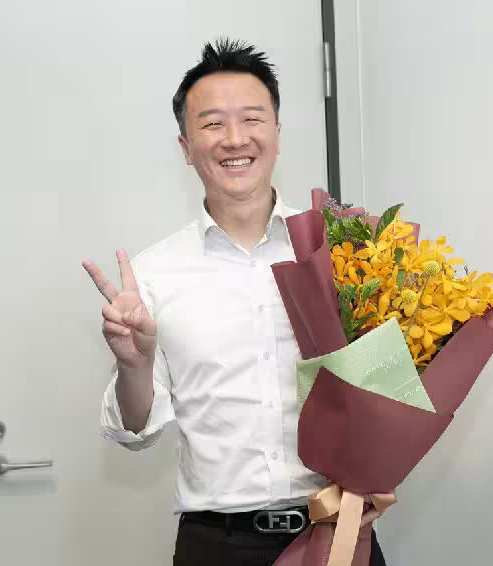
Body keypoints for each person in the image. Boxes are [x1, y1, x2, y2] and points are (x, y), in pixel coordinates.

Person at [83, 39, 387, 566]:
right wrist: (134, 365)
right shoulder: (153, 273)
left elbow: (389, 388)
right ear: (185, 147)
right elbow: (134, 433)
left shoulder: (341, 250)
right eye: (212, 124)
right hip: (217, 546)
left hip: (338, 534)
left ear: (277, 133)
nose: (235, 139)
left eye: (252, 119)